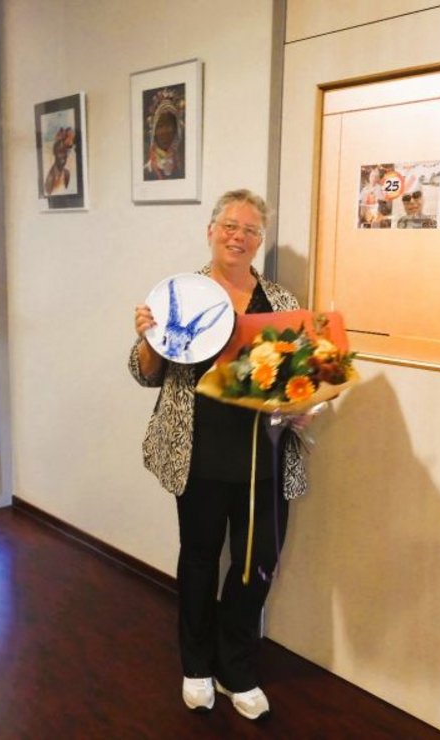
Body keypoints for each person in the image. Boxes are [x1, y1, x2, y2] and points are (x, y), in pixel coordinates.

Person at [128, 189, 306, 722]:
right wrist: (148, 338)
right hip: (200, 452)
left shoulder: (282, 301)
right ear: (210, 231)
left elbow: (299, 377)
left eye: (251, 230)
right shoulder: (180, 293)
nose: (238, 236)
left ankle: (237, 669)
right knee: (200, 559)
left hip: (264, 456)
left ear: (260, 241)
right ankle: (197, 666)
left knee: (257, 563)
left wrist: (305, 405)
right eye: (230, 225)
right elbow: (145, 374)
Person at [43, 127, 74, 195]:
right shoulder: (50, 178)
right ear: (55, 153)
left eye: (65, 152)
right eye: (60, 152)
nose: (63, 156)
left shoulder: (67, 174)